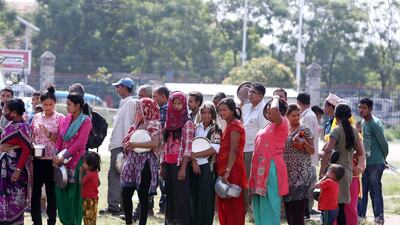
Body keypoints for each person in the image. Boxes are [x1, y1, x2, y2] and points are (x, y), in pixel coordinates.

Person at [320, 103, 366, 225]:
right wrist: (349, 156)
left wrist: (322, 170)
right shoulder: (354, 131)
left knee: (333, 207)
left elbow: (328, 151)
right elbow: (360, 152)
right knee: (342, 207)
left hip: (335, 173)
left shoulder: (336, 130)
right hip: (348, 173)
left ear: (336, 116)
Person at [121, 98, 162, 225]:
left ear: (147, 109)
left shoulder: (154, 124)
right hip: (132, 162)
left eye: (140, 108)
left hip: (146, 164)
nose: (138, 111)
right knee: (126, 192)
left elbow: (155, 143)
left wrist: (135, 144)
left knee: (143, 196)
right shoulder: (137, 124)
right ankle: (128, 222)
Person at [53, 92, 92, 225]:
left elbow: (80, 143)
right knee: (61, 192)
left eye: (69, 105)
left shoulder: (86, 120)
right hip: (61, 162)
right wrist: (56, 154)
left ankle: (74, 222)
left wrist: (64, 156)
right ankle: (65, 221)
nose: (67, 107)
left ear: (78, 105)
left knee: (73, 195)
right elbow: (60, 137)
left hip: (75, 162)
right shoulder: (66, 119)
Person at [249, 96, 289, 225]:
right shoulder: (268, 125)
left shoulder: (282, 123)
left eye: (270, 110)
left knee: (270, 205)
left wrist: (276, 97)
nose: (268, 113)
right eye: (266, 111)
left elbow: (275, 108)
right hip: (260, 169)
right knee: (259, 206)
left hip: (271, 168)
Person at [100, 78, 136, 216]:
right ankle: (118, 205)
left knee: (116, 175)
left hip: (122, 145)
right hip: (119, 144)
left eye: (119, 86)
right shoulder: (124, 103)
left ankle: (115, 206)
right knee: (119, 175)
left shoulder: (130, 103)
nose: (117, 89)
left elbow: (128, 125)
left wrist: (127, 145)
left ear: (125, 87)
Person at [31, 85, 65, 225]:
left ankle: (51, 220)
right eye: (45, 104)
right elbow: (32, 135)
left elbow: (62, 139)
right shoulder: (36, 117)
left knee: (51, 193)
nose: (48, 107)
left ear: (55, 104)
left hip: (52, 160)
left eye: (51, 104)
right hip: (38, 159)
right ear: (41, 103)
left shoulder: (60, 118)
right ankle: (36, 220)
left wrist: (48, 133)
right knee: (36, 192)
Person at [161, 91, 194, 225]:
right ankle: (170, 222)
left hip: (179, 165)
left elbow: (188, 147)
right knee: (170, 196)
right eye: (173, 103)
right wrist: (162, 165)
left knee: (181, 199)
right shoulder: (168, 123)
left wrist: (183, 168)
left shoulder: (187, 123)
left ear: (184, 104)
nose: (176, 106)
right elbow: (165, 145)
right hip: (168, 164)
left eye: (179, 103)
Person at [0, 98, 33, 224]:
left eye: (5, 110)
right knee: (5, 199)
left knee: (15, 200)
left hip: (15, 171)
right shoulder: (11, 125)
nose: (3, 112)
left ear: (13, 112)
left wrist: (18, 170)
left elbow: (26, 151)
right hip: (5, 169)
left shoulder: (24, 127)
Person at [215, 98, 247, 225]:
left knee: (234, 203)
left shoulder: (235, 125)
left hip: (232, 169)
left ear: (233, 111)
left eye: (224, 110)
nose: (221, 112)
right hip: (226, 169)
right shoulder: (228, 124)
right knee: (225, 202)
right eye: (220, 110)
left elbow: (233, 150)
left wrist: (227, 172)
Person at [357, 98, 388, 225]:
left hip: (376, 163)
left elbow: (384, 144)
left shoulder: (375, 123)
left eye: (364, 107)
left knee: (375, 191)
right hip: (365, 163)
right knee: (362, 191)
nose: (361, 110)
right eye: (359, 107)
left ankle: (379, 218)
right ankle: (361, 217)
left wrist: (382, 159)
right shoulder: (363, 123)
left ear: (370, 109)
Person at [190, 101, 222, 225]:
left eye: (209, 113)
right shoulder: (196, 127)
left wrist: (195, 155)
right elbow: (191, 146)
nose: (206, 116)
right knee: (193, 197)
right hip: (193, 166)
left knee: (205, 199)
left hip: (207, 168)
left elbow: (214, 149)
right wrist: (193, 161)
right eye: (204, 112)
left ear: (213, 114)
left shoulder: (216, 129)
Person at [283, 104, 315, 225]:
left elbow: (312, 150)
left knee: (297, 211)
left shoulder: (304, 129)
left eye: (298, 115)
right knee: (288, 209)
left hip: (301, 175)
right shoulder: (285, 129)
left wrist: (303, 143)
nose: (296, 118)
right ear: (287, 116)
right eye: (293, 116)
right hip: (287, 174)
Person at [242, 82, 268, 214]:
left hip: (254, 150)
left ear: (261, 96)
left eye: (254, 93)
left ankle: (252, 208)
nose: (250, 94)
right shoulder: (246, 107)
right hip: (243, 148)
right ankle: (245, 206)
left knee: (251, 180)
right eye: (250, 91)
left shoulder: (263, 110)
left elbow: (264, 133)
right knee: (244, 179)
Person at [297, 92, 320, 217]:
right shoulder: (306, 115)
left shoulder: (309, 116)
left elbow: (306, 135)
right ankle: (305, 212)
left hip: (307, 157)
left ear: (299, 102)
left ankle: (306, 212)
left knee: (306, 186)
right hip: (304, 156)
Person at [152, 86, 170, 214]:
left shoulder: (165, 110)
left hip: (164, 149)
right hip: (159, 148)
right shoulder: (159, 109)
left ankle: (164, 208)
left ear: (163, 96)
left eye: (155, 96)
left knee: (162, 178)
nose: (153, 99)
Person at [80, 152, 101, 225]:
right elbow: (98, 183)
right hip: (94, 199)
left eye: (84, 163)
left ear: (91, 166)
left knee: (87, 219)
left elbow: (81, 182)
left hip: (87, 200)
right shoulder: (95, 173)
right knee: (92, 220)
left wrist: (81, 172)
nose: (83, 164)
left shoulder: (89, 174)